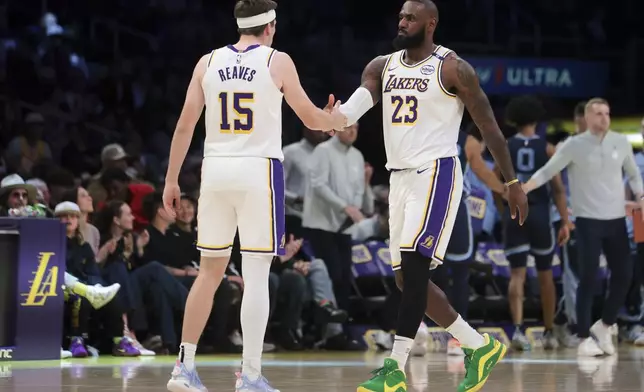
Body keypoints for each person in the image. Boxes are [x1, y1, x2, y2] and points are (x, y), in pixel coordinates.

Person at [331, 1, 528, 391]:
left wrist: (512, 181)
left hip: (436, 172)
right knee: (407, 280)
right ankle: (479, 345)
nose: (402, 22)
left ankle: (394, 369)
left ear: (431, 24)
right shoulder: (381, 66)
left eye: (411, 18)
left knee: (416, 271)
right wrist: (333, 118)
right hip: (399, 178)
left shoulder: (452, 67)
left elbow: (488, 125)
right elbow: (359, 103)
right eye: (401, 16)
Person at [162, 0, 347, 391]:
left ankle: (183, 368)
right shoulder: (277, 61)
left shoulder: (206, 62)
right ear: (271, 26)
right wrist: (333, 119)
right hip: (258, 170)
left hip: (214, 170)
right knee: (257, 274)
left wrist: (171, 180)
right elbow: (311, 118)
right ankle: (249, 376)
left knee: (210, 271)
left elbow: (184, 126)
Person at [523, 98, 644, 357]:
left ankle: (605, 325)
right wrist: (524, 189)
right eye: (598, 113)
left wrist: (641, 197)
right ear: (587, 118)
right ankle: (582, 337)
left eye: (607, 113)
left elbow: (633, 174)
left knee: (625, 275)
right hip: (587, 221)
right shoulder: (573, 146)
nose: (604, 118)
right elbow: (547, 171)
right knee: (588, 278)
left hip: (616, 221)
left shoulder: (621, 142)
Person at [497, 96, 571, 351]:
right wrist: (564, 220)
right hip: (540, 213)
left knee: (516, 275)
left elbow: (500, 187)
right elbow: (559, 190)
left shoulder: (505, 146)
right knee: (546, 275)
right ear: (536, 119)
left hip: (515, 214)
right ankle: (549, 332)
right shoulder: (547, 148)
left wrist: (504, 211)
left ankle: (517, 330)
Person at [432, 128, 507, 356]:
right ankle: (422, 331)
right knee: (431, 275)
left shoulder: (467, 142)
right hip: (430, 208)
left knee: (456, 274)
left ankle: (457, 336)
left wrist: (504, 190)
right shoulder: (427, 131)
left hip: (448, 211)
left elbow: (481, 170)